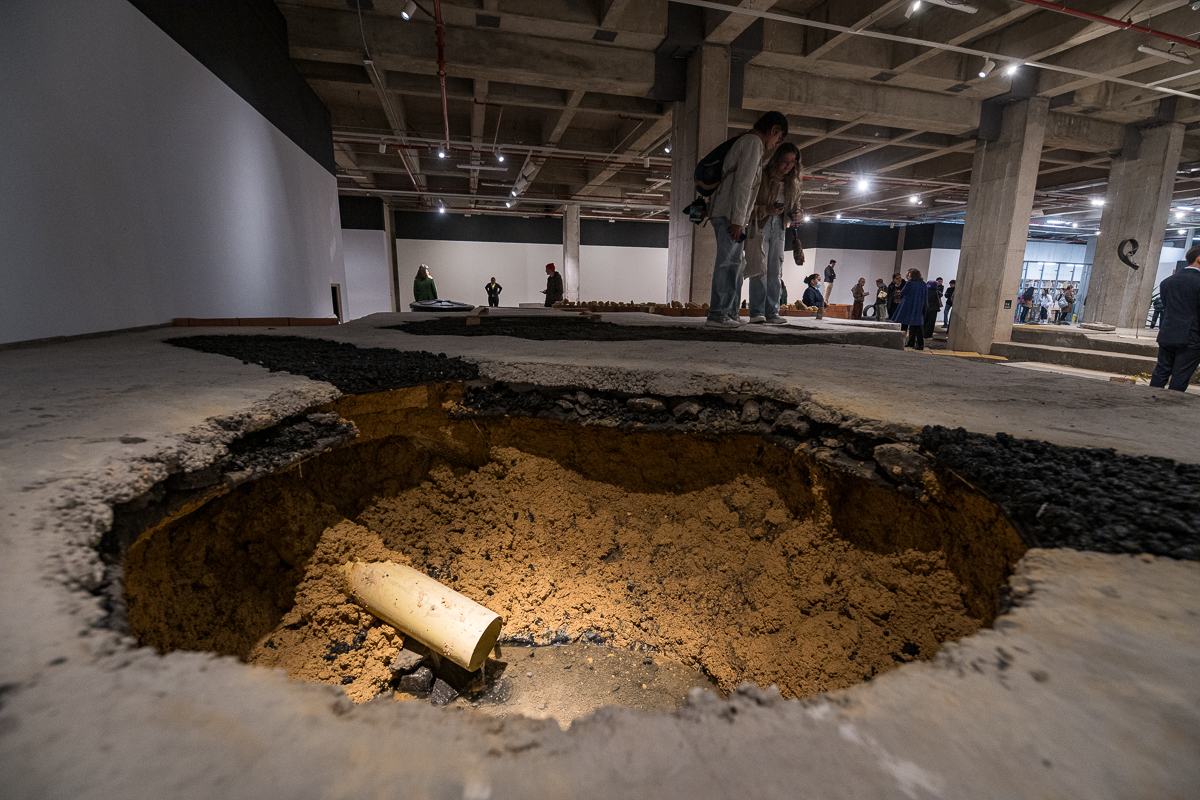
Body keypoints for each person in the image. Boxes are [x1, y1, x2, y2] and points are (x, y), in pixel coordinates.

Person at [706, 111, 788, 329]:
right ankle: (718, 314)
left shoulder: (748, 142)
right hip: (729, 213)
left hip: (728, 212)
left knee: (734, 263)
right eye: (777, 139)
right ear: (774, 131)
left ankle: (728, 313)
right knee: (728, 262)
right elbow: (744, 185)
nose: (774, 144)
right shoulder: (752, 143)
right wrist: (739, 220)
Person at [746, 143, 801, 325]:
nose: (788, 165)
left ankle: (772, 311)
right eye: (785, 160)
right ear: (777, 159)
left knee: (776, 271)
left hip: (780, 228)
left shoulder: (792, 183)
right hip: (760, 226)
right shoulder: (761, 177)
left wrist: (798, 214)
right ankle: (757, 312)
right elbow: (747, 208)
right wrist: (768, 209)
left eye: (792, 162)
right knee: (759, 269)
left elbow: (797, 206)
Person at [1149, 248, 1200, 391]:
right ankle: (1169, 409)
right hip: (1192, 337)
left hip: (1167, 333)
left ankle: (1147, 403)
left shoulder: (1167, 282)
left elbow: (1167, 306)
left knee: (1161, 372)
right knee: (1180, 376)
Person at [892, 268, 929, 350]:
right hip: (918, 306)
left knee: (904, 324)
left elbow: (903, 293)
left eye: (908, 274)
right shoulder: (923, 284)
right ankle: (919, 344)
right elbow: (926, 296)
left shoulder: (909, 283)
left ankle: (904, 342)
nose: (907, 276)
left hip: (908, 306)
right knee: (917, 326)